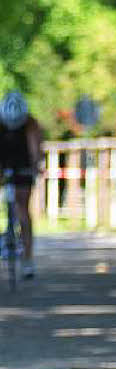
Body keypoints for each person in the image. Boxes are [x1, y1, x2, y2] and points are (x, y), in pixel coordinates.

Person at [0, 91, 43, 279]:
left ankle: (28, 258)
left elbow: (35, 151)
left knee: (23, 210)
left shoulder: (31, 124)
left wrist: (35, 167)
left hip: (24, 167)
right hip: (4, 165)